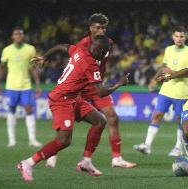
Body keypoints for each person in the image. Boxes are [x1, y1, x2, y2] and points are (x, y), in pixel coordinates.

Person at [17, 35, 131, 182]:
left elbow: (61, 46)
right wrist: (120, 83)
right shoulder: (90, 64)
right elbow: (100, 92)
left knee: (100, 121)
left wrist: (44, 57)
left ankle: (86, 161)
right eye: (106, 51)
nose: (106, 55)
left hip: (73, 98)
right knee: (64, 140)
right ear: (100, 50)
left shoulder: (80, 50)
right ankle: (27, 163)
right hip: (61, 100)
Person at [33, 13, 136, 168]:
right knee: (68, 117)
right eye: (97, 27)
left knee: (112, 117)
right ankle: (53, 153)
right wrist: (45, 57)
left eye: (103, 27)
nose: (101, 30)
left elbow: (99, 66)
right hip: (80, 86)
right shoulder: (83, 45)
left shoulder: (108, 43)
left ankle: (114, 158)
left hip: (97, 85)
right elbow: (65, 48)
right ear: (90, 28)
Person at [133, 26, 188, 156]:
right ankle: (147, 145)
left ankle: (178, 148)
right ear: (173, 37)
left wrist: (172, 73)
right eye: (177, 36)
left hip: (181, 93)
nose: (179, 39)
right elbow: (163, 68)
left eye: (181, 36)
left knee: (180, 120)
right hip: (166, 90)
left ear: (185, 38)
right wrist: (154, 80)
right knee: (156, 116)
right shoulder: (168, 50)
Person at [0, 26, 42, 147]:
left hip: (26, 85)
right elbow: (2, 67)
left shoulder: (30, 49)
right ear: (13, 36)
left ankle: (32, 139)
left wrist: (37, 84)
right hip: (11, 86)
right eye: (16, 34)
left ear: (23, 36)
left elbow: (34, 68)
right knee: (11, 110)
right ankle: (12, 140)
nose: (18, 36)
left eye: (20, 34)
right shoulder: (7, 50)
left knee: (28, 109)